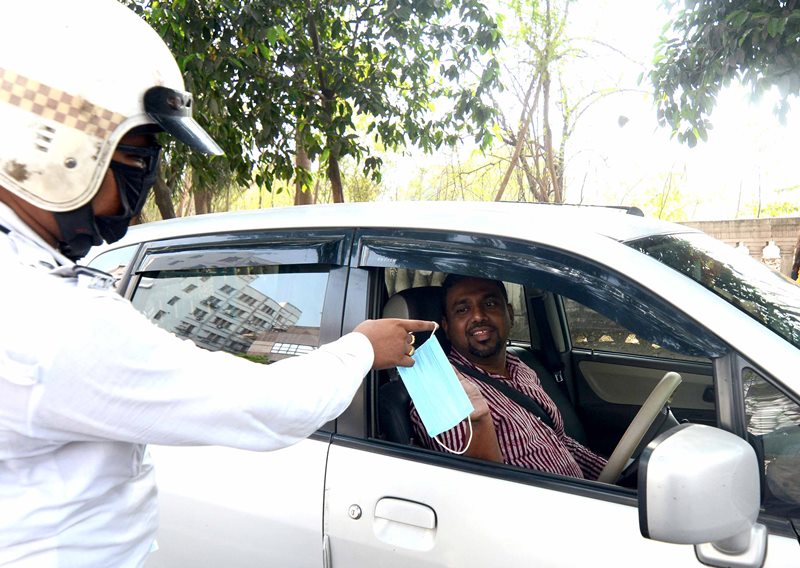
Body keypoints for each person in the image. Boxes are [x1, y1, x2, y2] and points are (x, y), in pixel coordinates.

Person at [0, 2, 434, 567]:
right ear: (55, 145)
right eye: (135, 161)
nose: (142, 189)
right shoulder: (45, 320)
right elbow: (266, 403)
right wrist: (360, 347)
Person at [409, 275, 607, 480]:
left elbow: (560, 441)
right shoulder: (441, 392)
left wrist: (614, 476)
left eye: (490, 303)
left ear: (510, 314)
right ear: (447, 327)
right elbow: (477, 486)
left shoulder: (521, 367)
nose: (478, 316)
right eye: (462, 310)